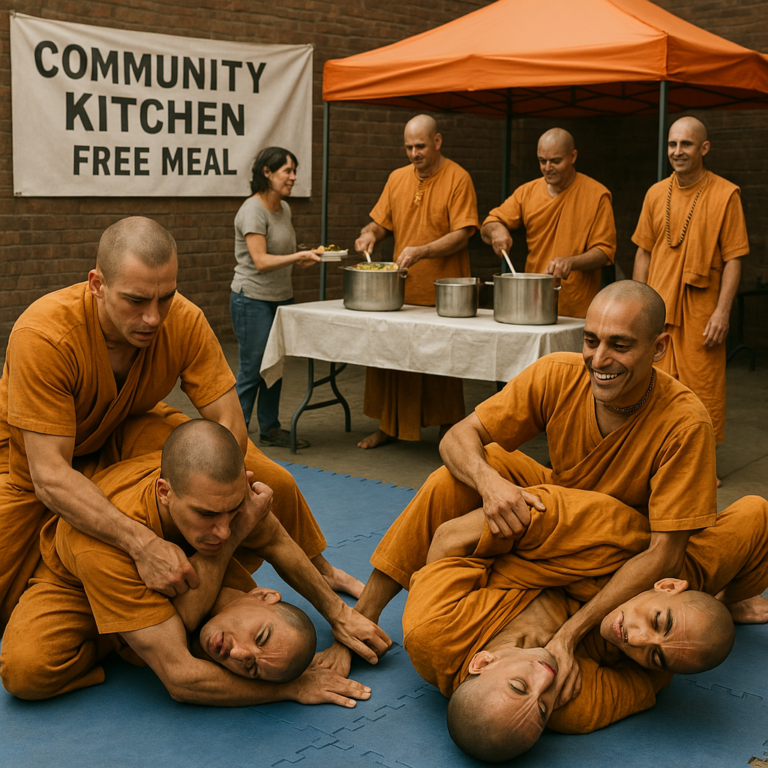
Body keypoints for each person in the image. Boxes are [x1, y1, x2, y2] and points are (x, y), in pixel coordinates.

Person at [318, 280, 738, 705]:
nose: (599, 359)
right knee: (457, 476)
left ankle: (734, 596)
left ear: (659, 347)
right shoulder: (558, 373)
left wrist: (569, 637)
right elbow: (458, 437)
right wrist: (490, 484)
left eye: (620, 345)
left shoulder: (685, 423)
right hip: (554, 514)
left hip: (620, 548)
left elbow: (664, 554)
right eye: (591, 340)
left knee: (751, 520)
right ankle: (362, 620)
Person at [0, 216, 360, 633]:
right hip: (32, 464)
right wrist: (142, 544)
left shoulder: (183, 319)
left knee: (269, 478)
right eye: (136, 301)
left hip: (127, 431)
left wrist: (220, 494)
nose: (153, 318)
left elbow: (229, 421)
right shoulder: (44, 335)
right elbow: (49, 475)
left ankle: (321, 569)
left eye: (165, 297)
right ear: (97, 284)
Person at [1, 420, 389, 708]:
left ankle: (143, 634)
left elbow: (272, 538)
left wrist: (339, 614)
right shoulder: (102, 547)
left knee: (276, 484)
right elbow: (181, 678)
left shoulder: (223, 498)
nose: (222, 530)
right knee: (26, 672)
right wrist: (290, 688)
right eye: (260, 639)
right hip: (78, 579)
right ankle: (126, 638)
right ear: (165, 493)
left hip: (173, 560)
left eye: (251, 669)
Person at [353, 114, 480, 449]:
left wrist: (424, 250)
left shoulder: (458, 178)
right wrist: (370, 234)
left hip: (444, 293)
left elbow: (463, 233)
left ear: (437, 141)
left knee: (442, 364)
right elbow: (381, 224)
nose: (414, 153)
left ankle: (449, 431)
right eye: (408, 147)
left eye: (420, 146)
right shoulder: (397, 178)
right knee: (391, 358)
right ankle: (389, 426)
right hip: (400, 292)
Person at [632, 116, 748, 450]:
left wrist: (722, 313)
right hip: (658, 311)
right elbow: (644, 252)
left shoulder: (725, 194)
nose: (677, 151)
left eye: (686, 144)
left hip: (702, 316)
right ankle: (655, 459)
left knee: (702, 390)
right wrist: (637, 306)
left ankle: (699, 462)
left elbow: (734, 258)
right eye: (672, 144)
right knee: (652, 388)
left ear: (704, 148)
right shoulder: (656, 193)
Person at [230, 146, 321, 450]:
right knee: (252, 369)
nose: (293, 177)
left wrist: (302, 258)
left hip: (281, 298)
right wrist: (297, 257)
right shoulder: (252, 210)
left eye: (295, 171)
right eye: (287, 171)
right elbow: (260, 261)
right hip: (251, 299)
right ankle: (233, 437)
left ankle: (269, 429)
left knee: (274, 366)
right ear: (267, 173)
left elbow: (280, 255)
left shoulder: (284, 209)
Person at [481, 128, 616, 318]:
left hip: (576, 307)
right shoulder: (527, 192)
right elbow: (489, 224)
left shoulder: (597, 195)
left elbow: (605, 252)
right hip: (533, 302)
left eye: (555, 161)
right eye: (542, 161)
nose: (547, 167)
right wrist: (497, 230)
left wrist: (571, 262)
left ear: (573, 156)